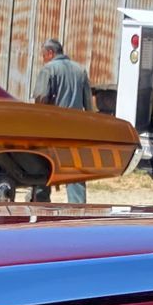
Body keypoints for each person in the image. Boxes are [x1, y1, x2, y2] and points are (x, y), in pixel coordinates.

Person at [32, 38, 93, 204]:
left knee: (43, 167)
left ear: (50, 53)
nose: (43, 59)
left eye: (43, 55)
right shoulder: (80, 70)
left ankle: (41, 205)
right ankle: (78, 209)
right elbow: (89, 106)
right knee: (75, 172)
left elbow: (41, 99)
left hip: (53, 129)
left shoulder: (48, 70)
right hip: (76, 130)